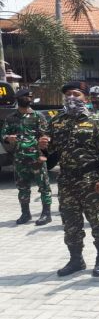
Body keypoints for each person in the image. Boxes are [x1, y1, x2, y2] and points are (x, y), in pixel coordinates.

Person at [38, 81, 99, 277]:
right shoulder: (57, 121)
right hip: (66, 181)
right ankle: (76, 260)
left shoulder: (96, 121)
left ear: (85, 98)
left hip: (91, 179)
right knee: (71, 224)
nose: (71, 98)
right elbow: (53, 150)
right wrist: (45, 145)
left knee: (98, 222)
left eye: (76, 94)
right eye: (68, 94)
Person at [1, 89, 52, 226]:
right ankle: (25, 213)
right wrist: (7, 138)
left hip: (37, 158)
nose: (29, 98)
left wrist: (44, 155)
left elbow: (46, 136)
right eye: (25, 96)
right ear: (18, 98)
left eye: (30, 96)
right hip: (19, 159)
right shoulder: (11, 118)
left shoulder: (38, 116)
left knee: (44, 187)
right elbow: (3, 134)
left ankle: (46, 214)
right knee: (22, 187)